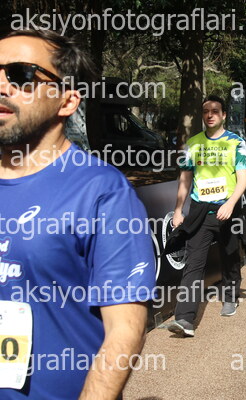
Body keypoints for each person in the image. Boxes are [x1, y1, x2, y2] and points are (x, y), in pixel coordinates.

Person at [0, 30, 155, 399]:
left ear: (67, 101)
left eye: (21, 74)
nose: (2, 85)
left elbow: (124, 330)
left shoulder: (102, 191)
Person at [168, 95, 246, 337]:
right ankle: (184, 319)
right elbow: (185, 178)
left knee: (230, 256)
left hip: (228, 210)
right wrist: (178, 209)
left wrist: (231, 203)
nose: (210, 115)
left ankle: (230, 296)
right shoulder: (192, 143)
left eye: (215, 110)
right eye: (206, 111)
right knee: (193, 263)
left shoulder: (236, 142)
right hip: (200, 211)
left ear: (224, 115)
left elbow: (243, 177)